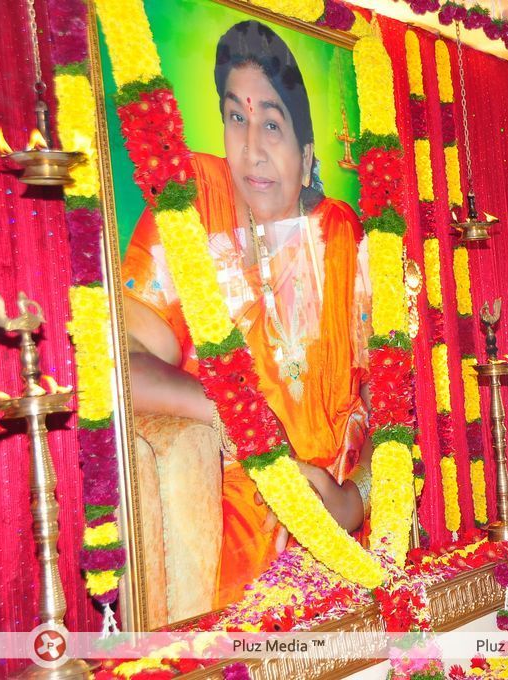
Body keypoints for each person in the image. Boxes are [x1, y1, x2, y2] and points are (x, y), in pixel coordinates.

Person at [122, 20, 371, 607]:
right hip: (230, 556)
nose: (252, 149)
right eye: (237, 117)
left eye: (272, 125)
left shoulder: (338, 236)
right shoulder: (192, 205)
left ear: (307, 155)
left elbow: (388, 407)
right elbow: (123, 363)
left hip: (346, 553)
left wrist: (351, 501)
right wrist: (232, 413)